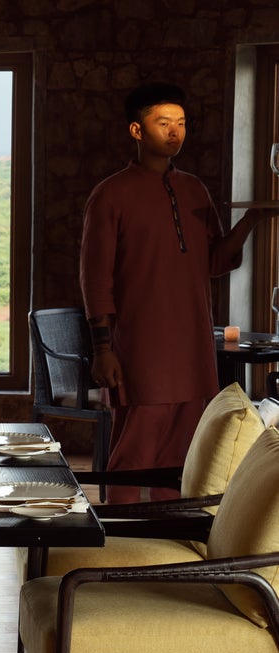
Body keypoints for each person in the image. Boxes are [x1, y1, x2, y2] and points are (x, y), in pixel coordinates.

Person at [80, 82, 278, 503]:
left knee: (188, 451)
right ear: (137, 130)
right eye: (163, 122)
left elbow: (216, 263)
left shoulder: (194, 190)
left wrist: (252, 221)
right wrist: (103, 349)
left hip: (193, 346)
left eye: (181, 123)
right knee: (135, 451)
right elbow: (95, 279)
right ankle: (120, 537)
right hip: (140, 347)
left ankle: (171, 535)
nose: (175, 132)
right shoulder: (110, 195)